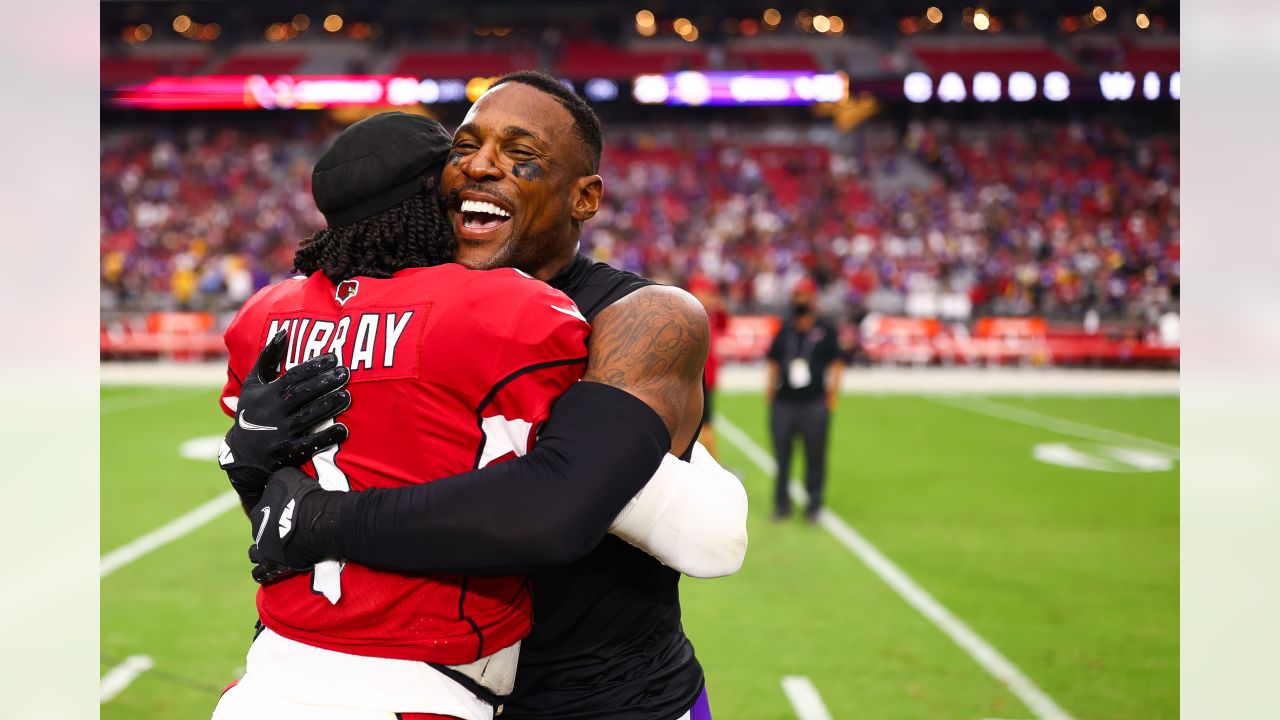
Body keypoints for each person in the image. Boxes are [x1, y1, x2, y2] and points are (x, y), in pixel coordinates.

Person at [224, 72, 745, 720]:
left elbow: (564, 507)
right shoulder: (381, 302)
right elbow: (285, 515)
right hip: (430, 688)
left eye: (520, 157)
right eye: (463, 148)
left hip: (604, 700)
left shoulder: (644, 316)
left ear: (584, 198)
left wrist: (319, 520)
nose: (480, 167)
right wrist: (253, 471)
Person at [765, 277, 844, 523]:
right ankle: (781, 506)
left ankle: (813, 507)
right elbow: (774, 362)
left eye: (805, 295)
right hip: (785, 402)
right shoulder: (785, 328)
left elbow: (838, 362)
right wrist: (769, 393)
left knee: (815, 456)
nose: (801, 300)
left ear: (813, 299)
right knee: (782, 457)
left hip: (814, 403)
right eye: (798, 295)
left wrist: (832, 394)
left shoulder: (826, 329)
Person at [687, 275, 726, 460]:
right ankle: (714, 468)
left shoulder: (708, 315)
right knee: (702, 426)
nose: (711, 297)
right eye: (706, 293)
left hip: (705, 379)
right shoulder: (692, 315)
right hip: (697, 379)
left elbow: (724, 324)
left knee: (702, 425)